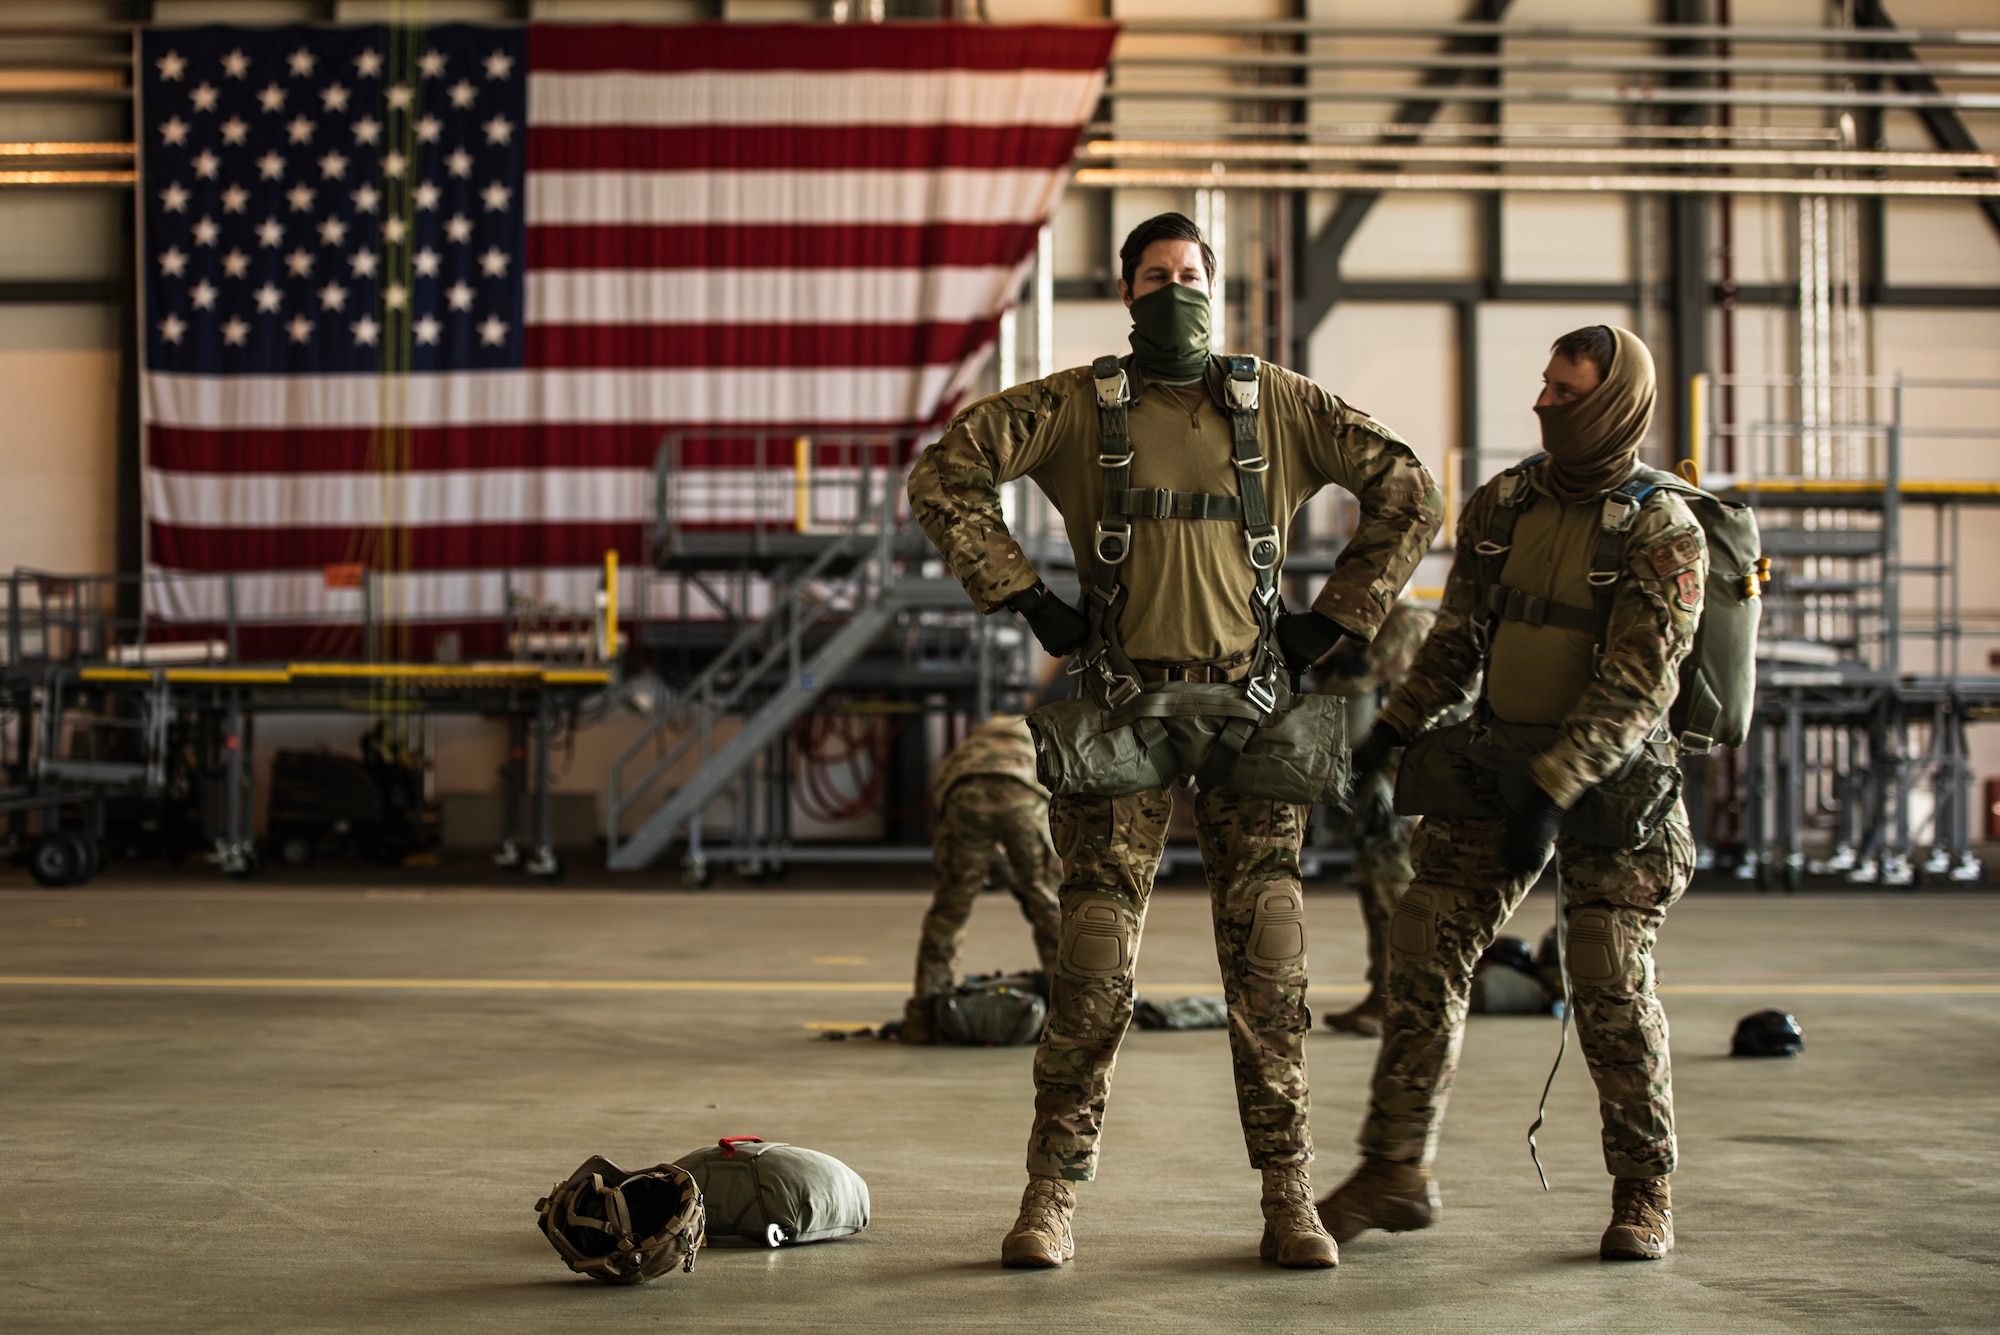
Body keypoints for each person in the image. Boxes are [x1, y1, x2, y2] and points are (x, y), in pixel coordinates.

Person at [908, 212, 1442, 1270]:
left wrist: (1338, 616)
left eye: (1191, 275)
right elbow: (942, 474)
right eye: (1155, 278)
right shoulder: (1073, 405)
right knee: (1092, 965)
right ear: (1125, 291)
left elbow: (1409, 491)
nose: (1175, 293)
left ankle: (1287, 1198)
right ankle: (1049, 1200)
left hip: (1252, 709)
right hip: (1116, 708)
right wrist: (1025, 600)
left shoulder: (1278, 403)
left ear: (1216, 285)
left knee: (1269, 968)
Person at [1317, 325, 1704, 1263]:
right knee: (1420, 946)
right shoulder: (1506, 505)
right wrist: (1395, 730)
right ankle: (1396, 1168)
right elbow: (1456, 643)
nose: (1544, 404)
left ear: (1612, 405)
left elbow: (1638, 687)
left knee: (1607, 972)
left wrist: (1557, 786)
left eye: (1566, 394)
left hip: (1615, 788)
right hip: (1500, 767)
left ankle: (1643, 1190)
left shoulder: (1665, 529)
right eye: (1544, 386)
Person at [1314, 599, 1439, 1038]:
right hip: (1378, 777)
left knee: (1394, 893)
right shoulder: (1366, 626)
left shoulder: (1408, 622)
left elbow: (1356, 681)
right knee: (1375, 888)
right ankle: (1382, 993)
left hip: (1401, 781)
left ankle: (1398, 999)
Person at [899, 716, 1062, 1044]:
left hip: (964, 794)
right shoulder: (1039, 736)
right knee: (1049, 908)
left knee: (949, 910)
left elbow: (944, 797)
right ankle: (1073, 1016)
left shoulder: (972, 747)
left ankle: (923, 1017)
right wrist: (1026, 885)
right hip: (1024, 795)